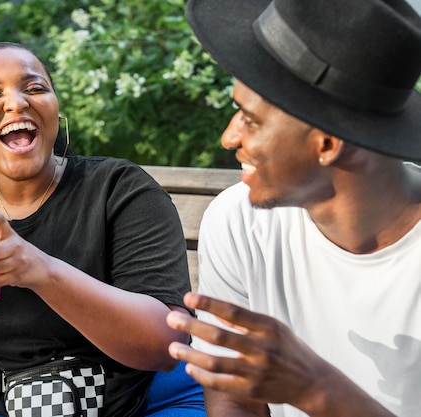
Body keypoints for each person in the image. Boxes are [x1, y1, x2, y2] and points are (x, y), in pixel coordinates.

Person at [0, 42, 204, 416]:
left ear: (55, 105)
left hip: (149, 403)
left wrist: (39, 270)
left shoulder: (119, 190)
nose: (16, 103)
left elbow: (165, 345)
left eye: (34, 88)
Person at [165, 0, 421, 416]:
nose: (229, 138)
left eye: (250, 118)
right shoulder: (238, 221)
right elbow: (235, 399)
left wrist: (317, 389)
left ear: (327, 144)